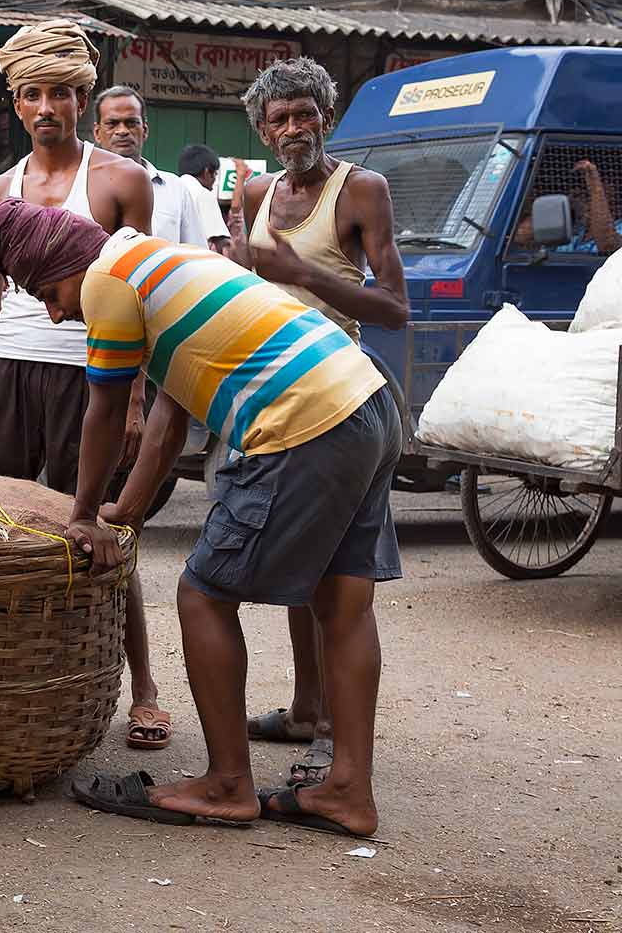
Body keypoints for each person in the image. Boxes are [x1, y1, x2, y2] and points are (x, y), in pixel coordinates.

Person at [0, 199, 403, 840]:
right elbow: (167, 420)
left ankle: (227, 784)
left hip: (302, 421)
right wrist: (124, 511)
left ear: (66, 262)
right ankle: (348, 790)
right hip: (365, 399)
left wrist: (84, 515)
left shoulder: (107, 279)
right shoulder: (157, 259)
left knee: (203, 595)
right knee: (343, 603)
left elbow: (102, 414)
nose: (56, 311)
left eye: (47, 291)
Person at [0, 19, 171, 752]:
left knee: (103, 526)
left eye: (62, 94)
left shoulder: (121, 180)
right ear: (15, 103)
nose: (48, 107)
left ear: (83, 99)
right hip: (11, 368)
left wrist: (135, 396)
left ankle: (143, 688)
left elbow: (140, 292)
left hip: (94, 376)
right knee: (1, 533)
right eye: (33, 94)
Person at [229, 57, 408, 788]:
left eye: (307, 112)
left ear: (326, 116)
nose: (296, 127)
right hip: (274, 401)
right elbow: (242, 283)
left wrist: (303, 274)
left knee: (340, 580)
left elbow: (394, 306)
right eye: (282, 118)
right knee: (301, 570)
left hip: (341, 398)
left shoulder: (361, 189)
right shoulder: (252, 192)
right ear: (263, 130)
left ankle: (335, 732)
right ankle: (306, 707)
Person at [93, 87, 229, 254]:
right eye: (112, 124)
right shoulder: (81, 185)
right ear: (97, 132)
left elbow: (196, 255)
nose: (122, 131)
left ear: (145, 130)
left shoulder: (176, 190)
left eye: (131, 123)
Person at [511, 158, 622, 255]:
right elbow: (520, 236)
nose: (581, 192)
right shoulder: (575, 227)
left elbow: (608, 246)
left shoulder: (618, 227)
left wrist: (594, 185)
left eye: (586, 187)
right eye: (580, 186)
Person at [176, 143, 233, 256]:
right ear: (207, 172)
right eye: (215, 174)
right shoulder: (203, 194)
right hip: (195, 263)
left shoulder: (172, 189)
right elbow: (221, 243)